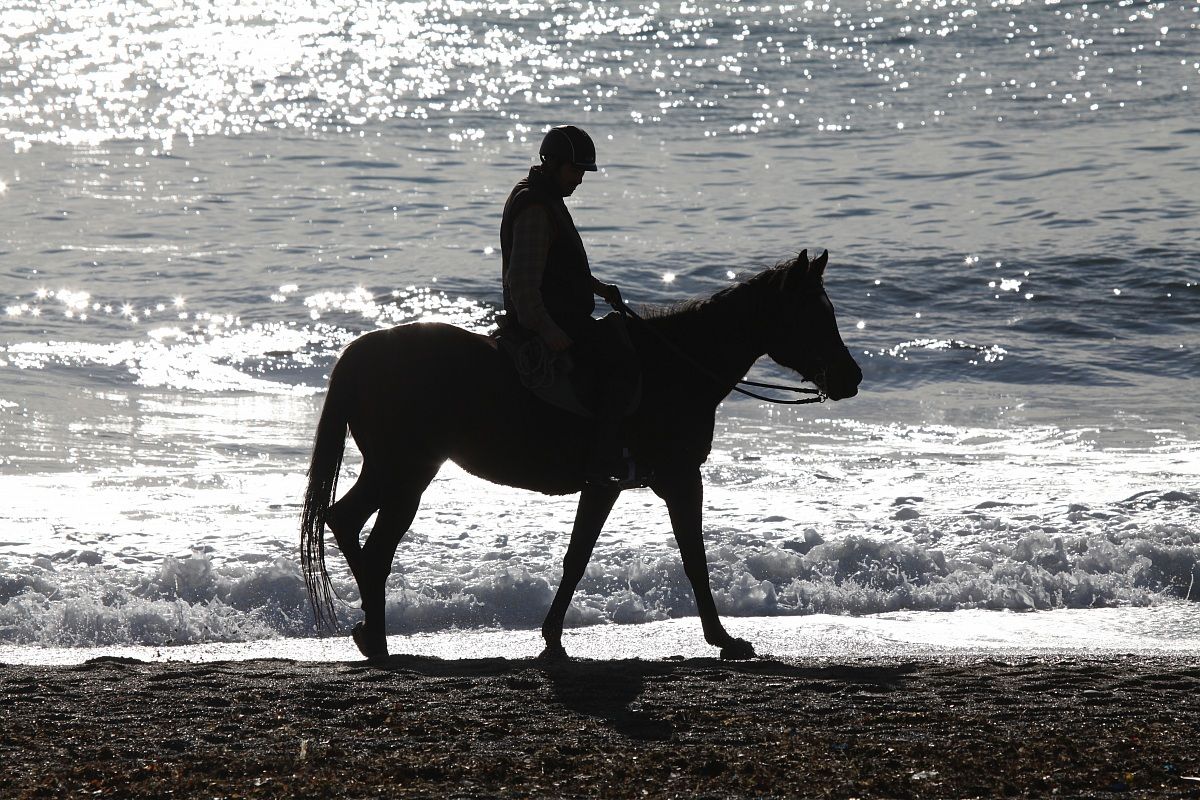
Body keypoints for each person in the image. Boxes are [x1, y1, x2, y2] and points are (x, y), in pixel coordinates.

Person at [499, 125, 641, 486]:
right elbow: (522, 283)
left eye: (582, 172)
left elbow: (556, 267)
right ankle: (601, 460)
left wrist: (597, 287)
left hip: (560, 315)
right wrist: (546, 328)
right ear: (554, 164)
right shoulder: (535, 208)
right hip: (550, 322)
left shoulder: (546, 197)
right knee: (621, 364)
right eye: (575, 170)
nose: (579, 179)